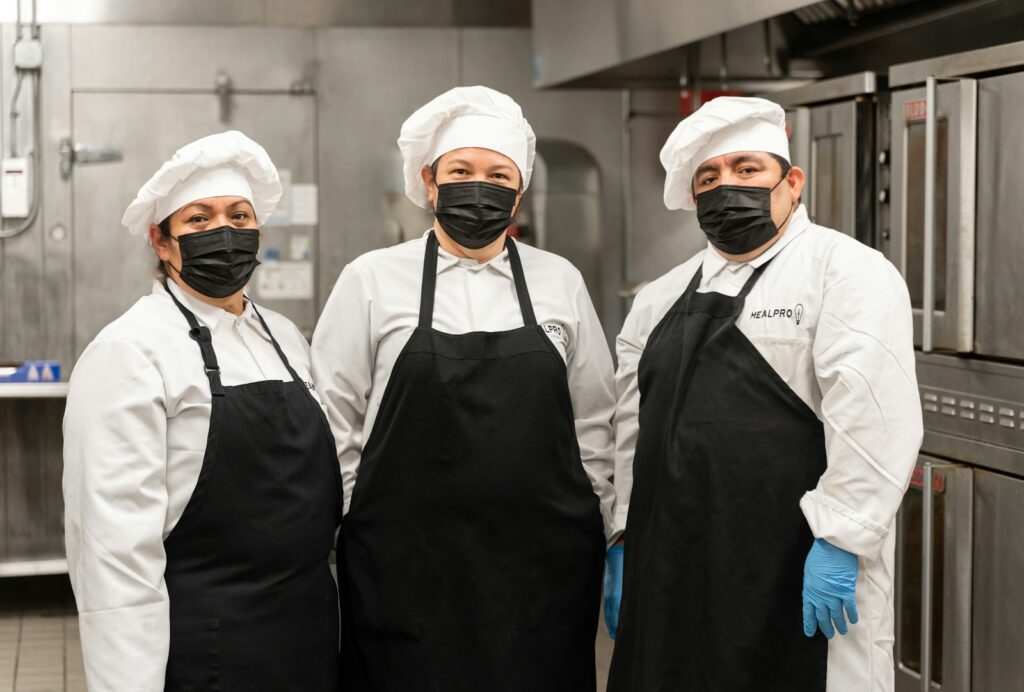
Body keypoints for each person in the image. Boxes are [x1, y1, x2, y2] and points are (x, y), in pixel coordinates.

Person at [603, 97, 923, 692]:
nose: (728, 187)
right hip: (672, 570)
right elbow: (631, 430)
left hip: (793, 569)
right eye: (710, 177)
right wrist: (622, 535)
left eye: (747, 169)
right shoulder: (657, 298)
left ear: (791, 181)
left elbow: (874, 419)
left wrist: (841, 539)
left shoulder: (845, 272)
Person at [311, 85, 616, 690]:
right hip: (406, 565)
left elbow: (594, 418)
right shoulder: (372, 279)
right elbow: (332, 416)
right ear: (430, 182)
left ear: (519, 191)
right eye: (461, 171)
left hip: (541, 566)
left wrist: (597, 524)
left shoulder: (560, 280)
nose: (480, 187)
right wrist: (360, 519)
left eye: (498, 174)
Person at [63, 131, 342, 691]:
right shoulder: (130, 351)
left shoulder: (283, 336)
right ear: (161, 242)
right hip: (207, 649)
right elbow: (114, 554)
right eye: (198, 220)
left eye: (240, 216)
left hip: (307, 635)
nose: (225, 232)